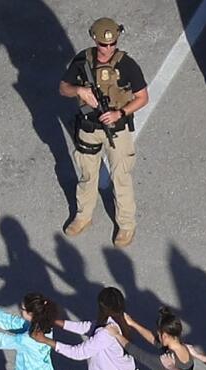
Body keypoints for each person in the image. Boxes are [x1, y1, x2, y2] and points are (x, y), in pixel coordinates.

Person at [59, 18, 150, 248]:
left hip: (116, 131)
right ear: (94, 40)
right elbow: (63, 88)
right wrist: (80, 90)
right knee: (87, 175)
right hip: (89, 128)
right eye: (103, 44)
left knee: (121, 178)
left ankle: (126, 225)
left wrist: (120, 113)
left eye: (112, 44)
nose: (108, 49)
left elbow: (142, 97)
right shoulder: (82, 61)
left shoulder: (127, 65)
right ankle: (83, 216)